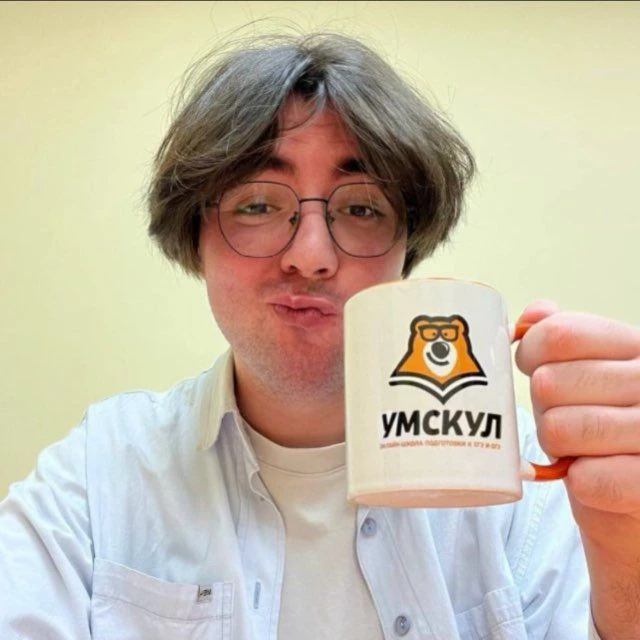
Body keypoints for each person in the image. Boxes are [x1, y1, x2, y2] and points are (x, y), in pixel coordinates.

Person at [1, 31, 639, 640]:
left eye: (361, 208)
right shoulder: (101, 475)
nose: (310, 257)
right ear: (194, 236)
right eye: (257, 204)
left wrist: (624, 552)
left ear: (407, 249)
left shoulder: (526, 475)